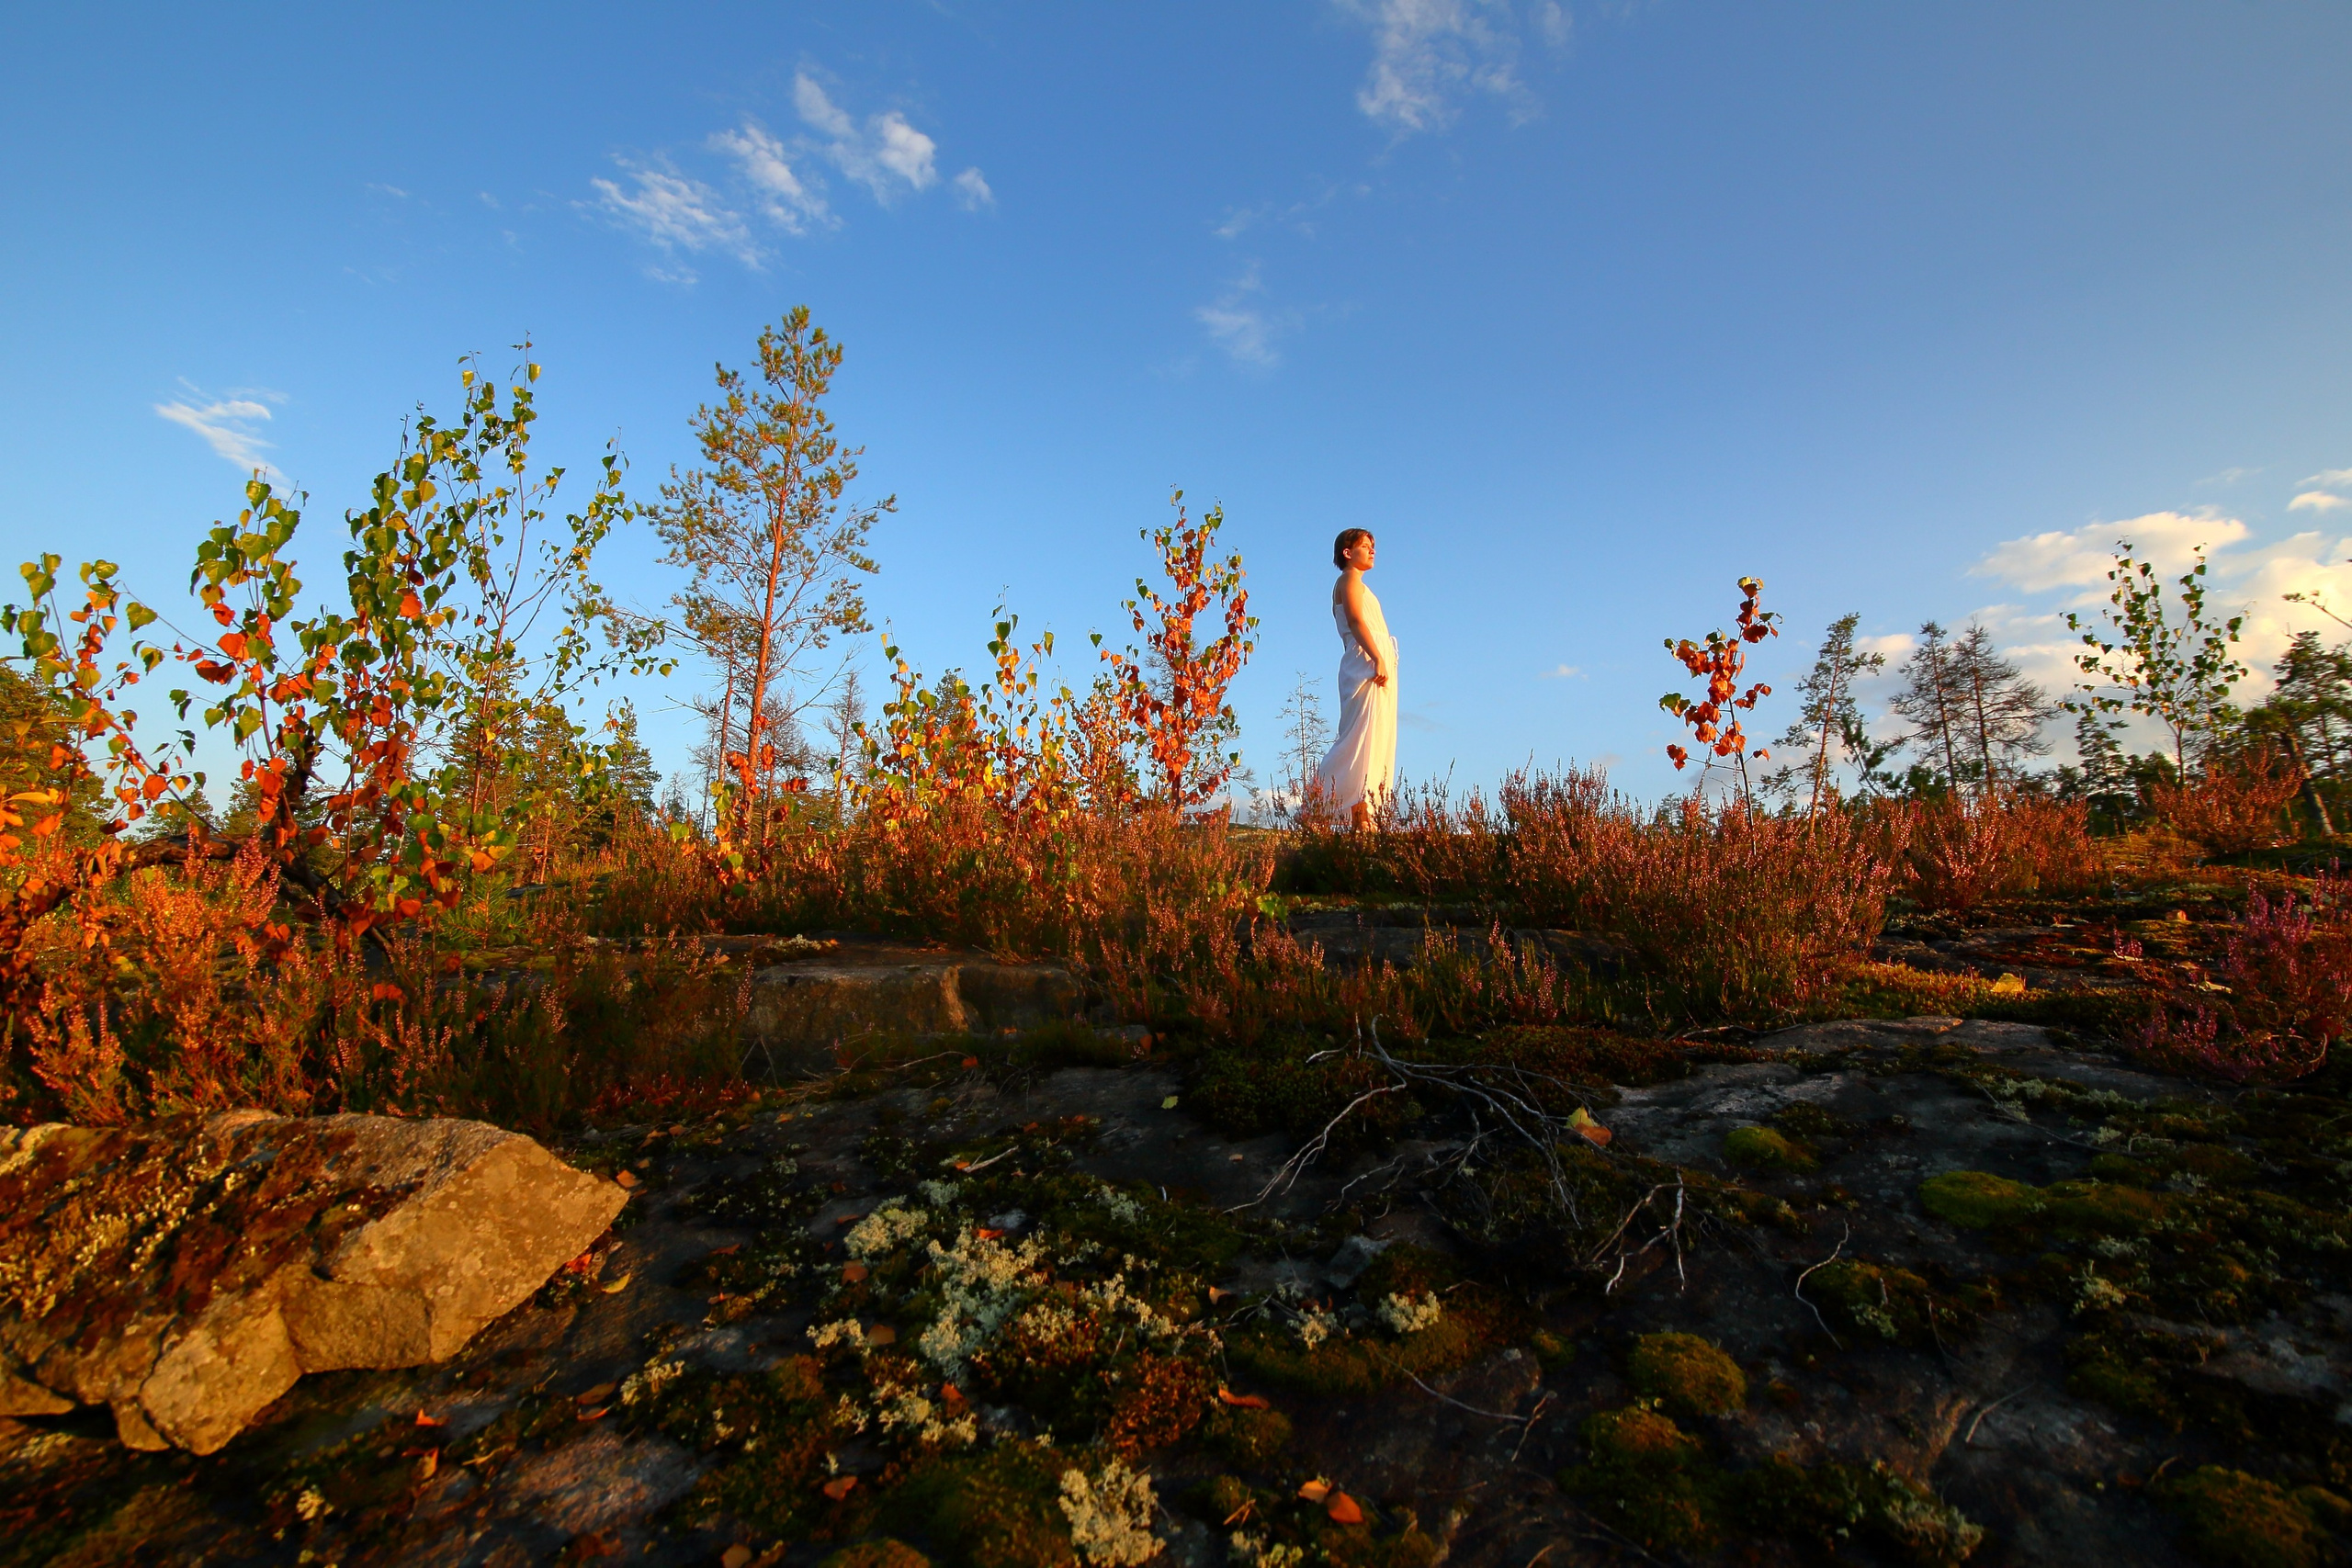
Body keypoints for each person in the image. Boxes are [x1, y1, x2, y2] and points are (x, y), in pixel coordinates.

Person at [1312, 527, 1397, 829]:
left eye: (1373, 546)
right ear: (1348, 552)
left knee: (1374, 736)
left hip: (1371, 660)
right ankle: (1323, 799)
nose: (1372, 551)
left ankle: (1363, 812)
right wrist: (1376, 657)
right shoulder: (1348, 580)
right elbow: (1355, 620)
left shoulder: (1358, 583)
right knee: (1359, 735)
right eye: (1365, 546)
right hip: (1365, 662)